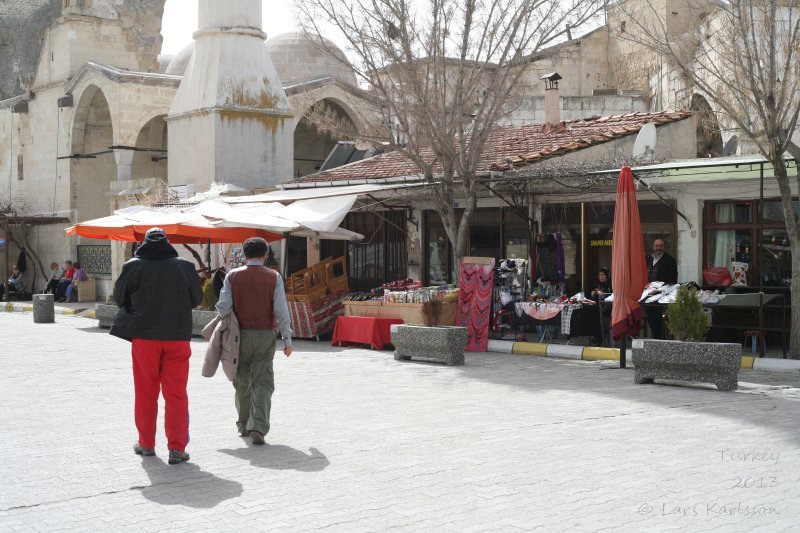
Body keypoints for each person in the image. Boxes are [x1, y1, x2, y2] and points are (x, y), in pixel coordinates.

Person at [110, 228, 202, 465]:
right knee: (176, 394)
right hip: (178, 337)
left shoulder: (133, 266)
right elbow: (196, 299)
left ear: (144, 244)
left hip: (144, 338)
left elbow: (119, 298)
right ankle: (177, 448)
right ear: (168, 243)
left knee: (145, 392)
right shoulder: (185, 266)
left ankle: (147, 444)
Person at [216, 237, 293, 445]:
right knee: (263, 381)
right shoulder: (273, 277)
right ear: (265, 254)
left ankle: (243, 425)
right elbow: (281, 311)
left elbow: (223, 306)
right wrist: (287, 339)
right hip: (264, 334)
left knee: (241, 380)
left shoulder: (232, 276)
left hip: (238, 336)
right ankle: (257, 426)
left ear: (244, 253)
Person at [645, 238, 678, 339]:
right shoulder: (649, 260)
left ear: (664, 247)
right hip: (648, 296)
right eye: (656, 246)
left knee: (661, 324)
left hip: (662, 298)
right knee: (651, 320)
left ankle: (660, 342)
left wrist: (660, 289)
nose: (658, 248)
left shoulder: (670, 261)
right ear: (653, 247)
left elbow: (672, 281)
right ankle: (655, 341)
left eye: (660, 246)